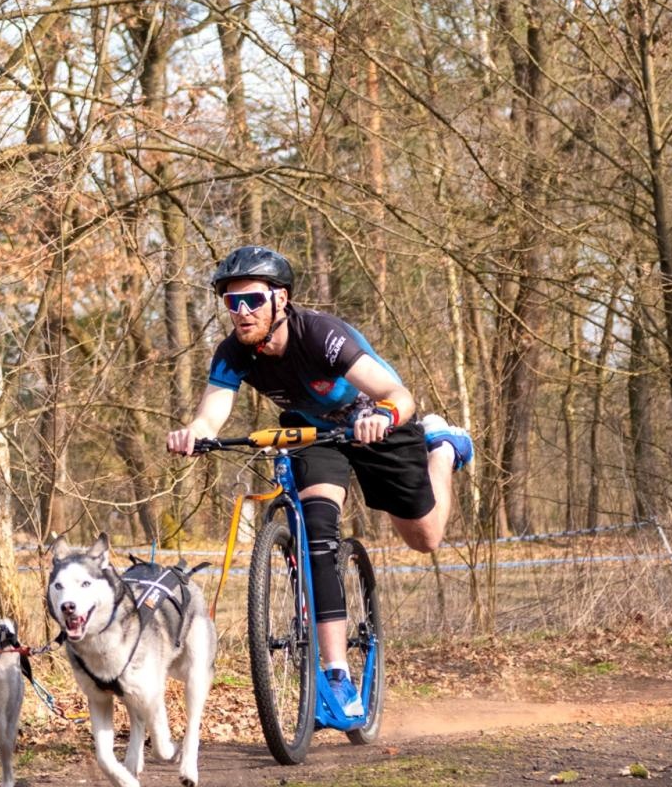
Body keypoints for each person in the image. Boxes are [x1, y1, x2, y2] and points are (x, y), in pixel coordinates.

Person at [166, 245, 473, 724]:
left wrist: (385, 416)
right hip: (313, 433)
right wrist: (196, 433)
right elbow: (212, 410)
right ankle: (335, 675)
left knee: (424, 537)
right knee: (317, 535)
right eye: (232, 303)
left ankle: (444, 448)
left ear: (280, 299)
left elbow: (398, 394)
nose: (241, 313)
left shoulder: (322, 336)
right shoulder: (233, 352)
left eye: (252, 300)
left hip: (376, 424)